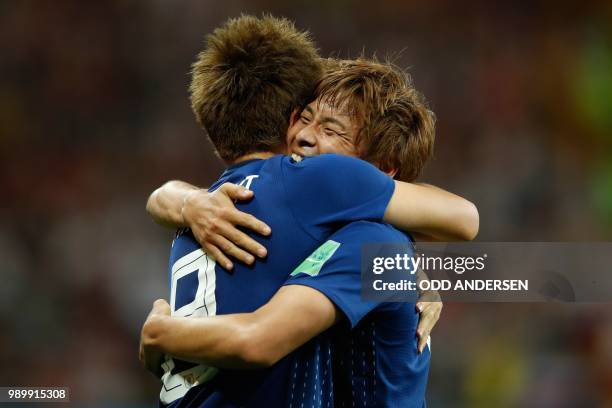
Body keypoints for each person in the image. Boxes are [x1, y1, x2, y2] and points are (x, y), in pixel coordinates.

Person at [141, 15, 477, 407]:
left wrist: (159, 333)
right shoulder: (331, 228)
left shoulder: (225, 206)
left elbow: (465, 219)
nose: (305, 135)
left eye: (332, 130)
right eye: (304, 117)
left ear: (381, 171)